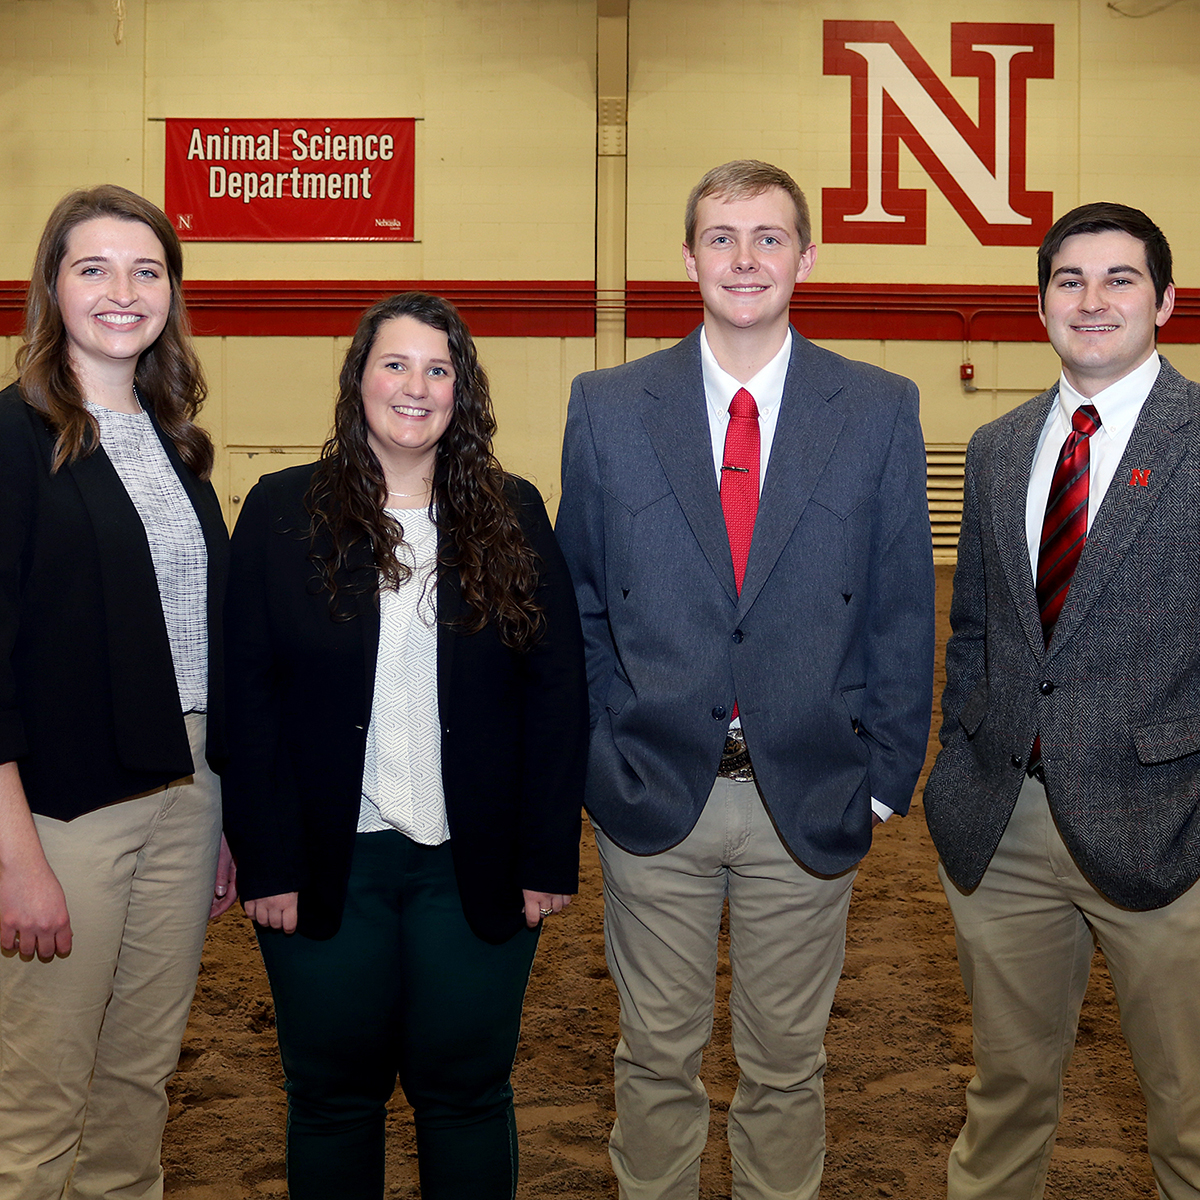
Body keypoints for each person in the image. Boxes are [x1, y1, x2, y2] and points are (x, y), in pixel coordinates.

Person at [556, 160, 935, 1200]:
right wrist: (600, 755)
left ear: (807, 258)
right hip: (650, 793)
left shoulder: (876, 408)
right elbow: (578, 600)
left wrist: (882, 774)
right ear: (689, 259)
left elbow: (905, 603)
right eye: (722, 238)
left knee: (786, 1069)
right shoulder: (607, 406)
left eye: (769, 237)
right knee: (653, 1061)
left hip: (809, 791)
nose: (745, 259)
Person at [221, 291, 588, 1200]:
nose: (416, 386)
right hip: (321, 862)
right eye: (396, 364)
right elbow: (246, 700)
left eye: (438, 369)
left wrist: (546, 857)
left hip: (478, 866)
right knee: (333, 1099)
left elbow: (557, 696)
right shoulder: (278, 511)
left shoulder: (512, 513)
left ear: (461, 392)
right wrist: (267, 863)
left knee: (465, 1094)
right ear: (358, 381)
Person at [924, 202, 1200, 1199]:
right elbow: (980, 632)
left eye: (1120, 278)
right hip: (1004, 829)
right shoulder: (998, 447)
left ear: (1165, 301)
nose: (1092, 300)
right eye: (1069, 279)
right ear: (1039, 303)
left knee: (1189, 1116)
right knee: (1004, 1101)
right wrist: (962, 761)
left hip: (1170, 827)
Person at [0, 185, 234, 1199]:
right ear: (53, 286)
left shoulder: (177, 441)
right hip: (63, 813)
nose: (123, 289)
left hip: (190, 793)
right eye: (93, 266)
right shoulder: (13, 437)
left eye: (147, 269)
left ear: (171, 293)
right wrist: (15, 857)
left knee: (138, 1084)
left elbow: (201, 643)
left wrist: (226, 815)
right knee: (41, 1098)